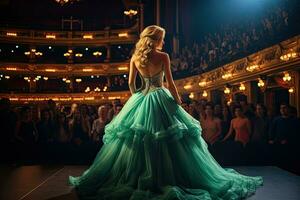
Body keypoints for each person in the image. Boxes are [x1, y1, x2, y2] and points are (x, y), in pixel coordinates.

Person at [69, 25, 262, 200]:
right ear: (155, 39)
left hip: (142, 97)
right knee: (171, 140)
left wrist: (139, 97)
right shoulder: (163, 57)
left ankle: (140, 178)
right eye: (162, 37)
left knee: (140, 140)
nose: (164, 41)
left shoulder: (136, 58)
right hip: (161, 97)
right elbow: (169, 84)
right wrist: (178, 104)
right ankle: (172, 178)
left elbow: (130, 83)